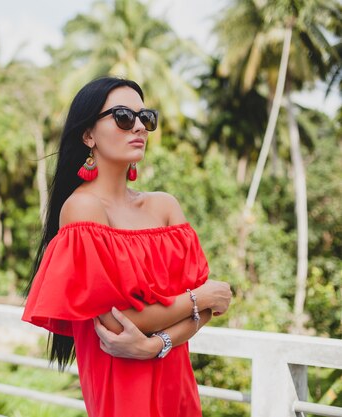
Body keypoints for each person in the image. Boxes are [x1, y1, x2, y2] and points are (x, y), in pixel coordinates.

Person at [22, 77, 232, 417]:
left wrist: (154, 345)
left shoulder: (165, 206)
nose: (139, 127)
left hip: (176, 385)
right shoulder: (82, 209)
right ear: (88, 135)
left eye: (145, 118)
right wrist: (201, 297)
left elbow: (203, 315)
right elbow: (118, 325)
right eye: (123, 117)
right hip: (122, 391)